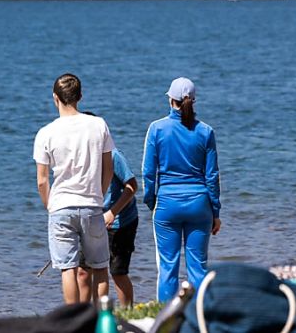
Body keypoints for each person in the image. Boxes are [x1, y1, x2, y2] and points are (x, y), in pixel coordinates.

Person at [33, 74, 114, 305]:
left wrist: (50, 205)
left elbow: (41, 180)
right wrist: (99, 194)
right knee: (100, 267)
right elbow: (108, 169)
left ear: (55, 98)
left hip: (61, 206)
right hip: (92, 204)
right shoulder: (99, 125)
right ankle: (103, 320)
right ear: (80, 96)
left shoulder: (46, 133)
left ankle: (73, 322)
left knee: (67, 268)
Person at [143, 77, 221, 302]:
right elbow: (212, 176)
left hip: (167, 203)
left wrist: (152, 202)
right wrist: (215, 212)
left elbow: (149, 173)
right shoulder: (206, 132)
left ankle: (166, 319)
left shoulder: (156, 129)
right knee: (198, 267)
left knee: (168, 267)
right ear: (193, 101)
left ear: (170, 100)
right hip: (199, 204)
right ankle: (199, 318)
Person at [75, 113, 139, 307]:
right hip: (91, 220)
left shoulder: (113, 156)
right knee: (83, 271)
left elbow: (132, 186)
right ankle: (83, 316)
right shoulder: (79, 156)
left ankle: (128, 313)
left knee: (117, 272)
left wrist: (112, 212)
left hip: (121, 221)